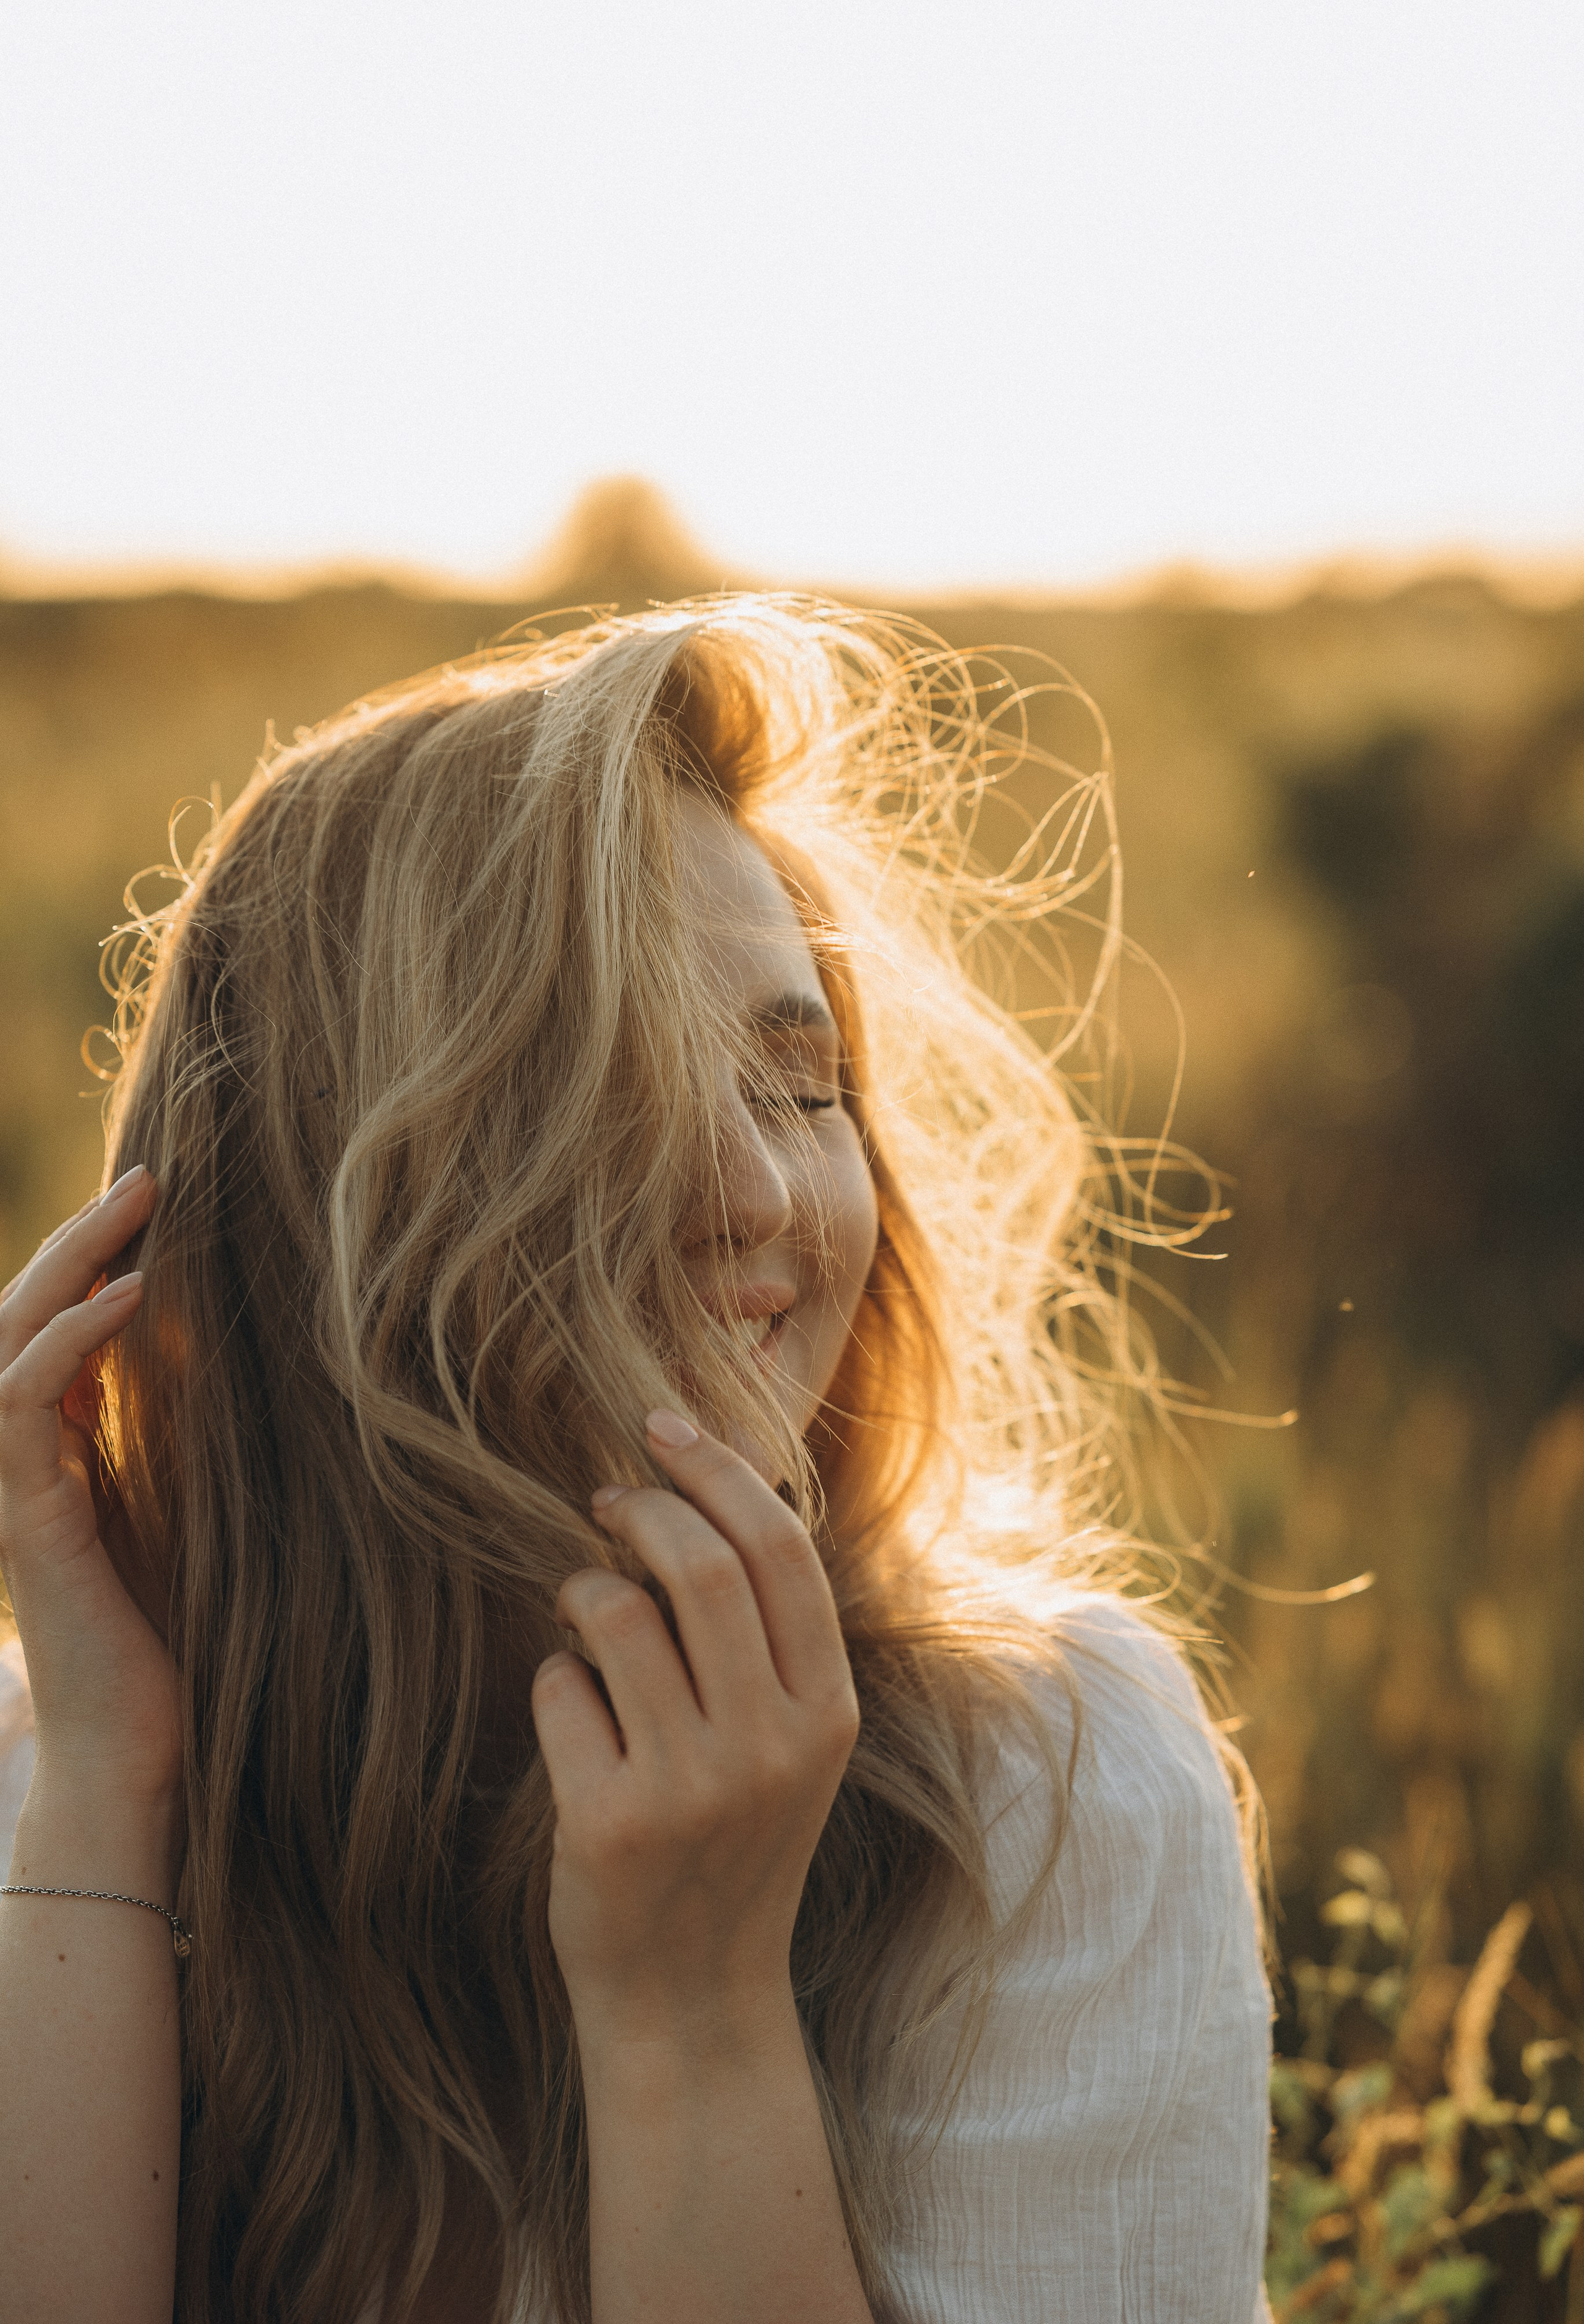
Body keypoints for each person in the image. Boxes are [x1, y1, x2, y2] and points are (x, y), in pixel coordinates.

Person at [0, 601, 1272, 2324]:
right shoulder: (69, 1766)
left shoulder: (1047, 1791)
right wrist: (96, 1781)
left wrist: (697, 2011)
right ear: (329, 1209)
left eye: (807, 1084)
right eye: (625, 1083)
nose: (768, 1194)